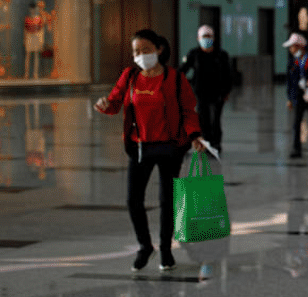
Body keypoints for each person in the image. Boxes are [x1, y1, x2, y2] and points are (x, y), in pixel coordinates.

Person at [94, 29, 205, 272]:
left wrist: (195, 135)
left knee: (167, 201)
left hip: (170, 147)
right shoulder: (130, 77)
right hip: (140, 147)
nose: (141, 55)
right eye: (136, 51)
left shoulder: (175, 78)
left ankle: (166, 249)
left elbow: (188, 110)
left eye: (146, 50)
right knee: (133, 200)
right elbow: (114, 102)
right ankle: (145, 246)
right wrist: (104, 105)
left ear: (159, 49)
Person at [177, 24, 232, 152]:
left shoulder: (221, 54)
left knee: (215, 119)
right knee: (203, 119)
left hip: (218, 93)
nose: (206, 39)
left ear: (213, 38)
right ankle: (206, 143)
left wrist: (227, 91)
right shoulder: (194, 54)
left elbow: (228, 75)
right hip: (201, 93)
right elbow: (183, 69)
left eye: (209, 36)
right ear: (198, 38)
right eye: (204, 36)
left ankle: (216, 144)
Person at [284, 32, 308, 158]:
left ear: (300, 46)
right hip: (298, 96)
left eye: (293, 46)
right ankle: (297, 149)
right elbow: (290, 82)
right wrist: (290, 98)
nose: (291, 49)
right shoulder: (292, 63)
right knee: (296, 123)